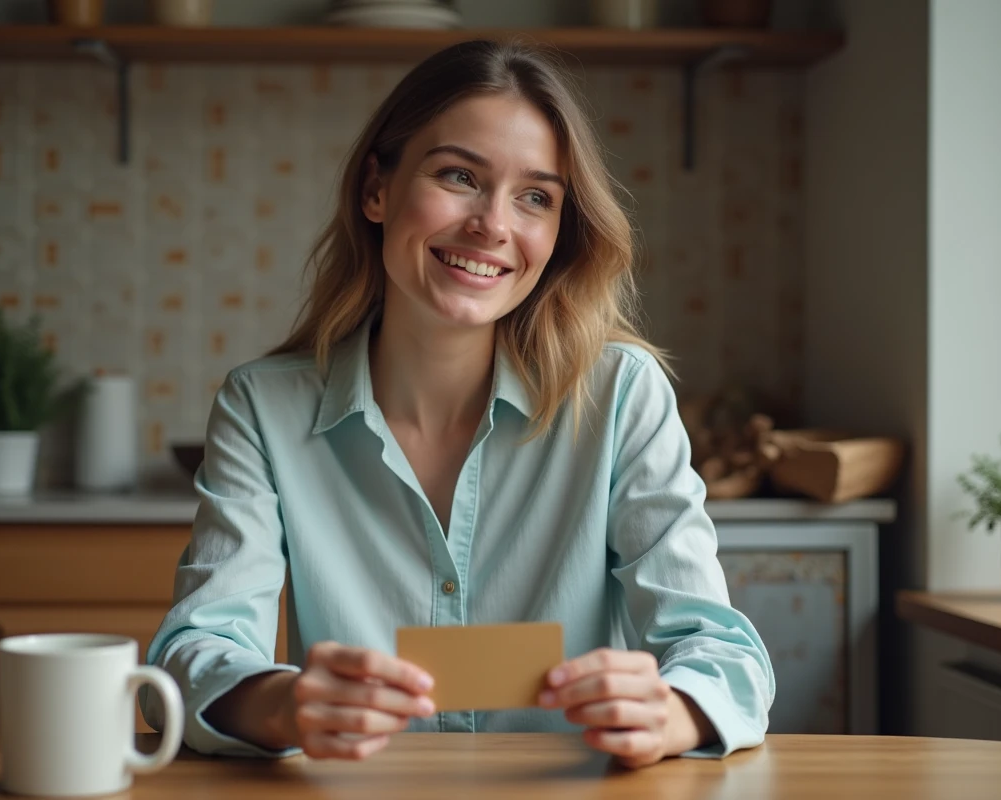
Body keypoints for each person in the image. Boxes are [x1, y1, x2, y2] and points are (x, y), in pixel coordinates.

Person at [142, 38, 774, 770]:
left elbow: (722, 653)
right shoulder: (261, 408)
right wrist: (283, 703)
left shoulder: (621, 395)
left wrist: (670, 713)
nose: (493, 225)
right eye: (459, 176)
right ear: (376, 189)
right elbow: (195, 650)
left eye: (535, 197)